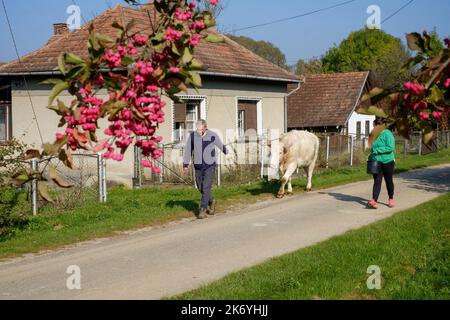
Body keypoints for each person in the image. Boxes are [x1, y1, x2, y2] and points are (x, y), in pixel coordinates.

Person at [183, 120, 228, 219]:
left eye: (200, 129)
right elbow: (187, 150)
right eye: (197, 129)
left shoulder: (212, 135)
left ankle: (202, 209)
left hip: (209, 165)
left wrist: (225, 150)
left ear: (205, 127)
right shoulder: (193, 136)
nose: (199, 131)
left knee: (206, 187)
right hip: (198, 165)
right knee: (200, 187)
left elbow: (220, 144)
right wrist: (185, 165)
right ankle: (211, 201)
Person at [367, 118, 396, 209]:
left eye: (375, 126)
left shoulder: (388, 134)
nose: (374, 128)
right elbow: (372, 148)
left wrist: (378, 150)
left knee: (388, 181)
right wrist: (370, 156)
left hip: (388, 161)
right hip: (377, 161)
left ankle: (391, 198)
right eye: (374, 126)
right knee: (377, 181)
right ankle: (374, 200)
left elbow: (390, 147)